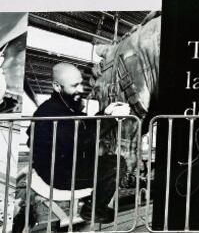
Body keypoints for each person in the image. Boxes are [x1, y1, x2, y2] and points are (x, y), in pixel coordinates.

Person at [31, 62, 131, 224]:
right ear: (57, 86)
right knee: (117, 165)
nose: (81, 90)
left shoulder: (63, 106)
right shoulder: (51, 112)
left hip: (63, 165)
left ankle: (90, 202)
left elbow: (84, 126)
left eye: (81, 84)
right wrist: (112, 119)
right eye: (74, 85)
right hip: (58, 175)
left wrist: (104, 113)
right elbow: (81, 140)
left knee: (112, 161)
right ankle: (93, 210)